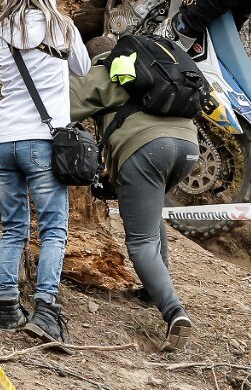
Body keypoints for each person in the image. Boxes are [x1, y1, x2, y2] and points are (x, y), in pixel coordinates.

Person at [0, 0, 90, 344]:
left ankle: (8, 307)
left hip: (1, 140)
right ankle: (46, 309)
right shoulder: (61, 27)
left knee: (13, 228)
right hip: (42, 142)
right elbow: (83, 68)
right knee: (53, 229)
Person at [71, 61, 199, 351]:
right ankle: (153, 290)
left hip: (147, 148)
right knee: (150, 215)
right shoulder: (154, 67)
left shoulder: (105, 70)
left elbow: (61, 104)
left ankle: (174, 312)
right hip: (188, 148)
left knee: (141, 242)